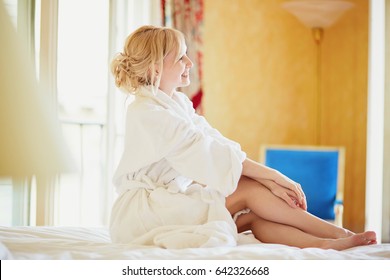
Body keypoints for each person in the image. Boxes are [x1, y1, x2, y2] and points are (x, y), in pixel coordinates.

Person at [109, 25, 376, 250]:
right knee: (245, 187)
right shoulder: (146, 111)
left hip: (166, 202)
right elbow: (203, 150)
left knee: (249, 216)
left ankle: (325, 245)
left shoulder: (176, 102)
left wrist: (267, 176)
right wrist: (274, 177)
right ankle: (339, 233)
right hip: (143, 213)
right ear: (156, 66)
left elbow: (215, 140)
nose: (189, 63)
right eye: (181, 57)